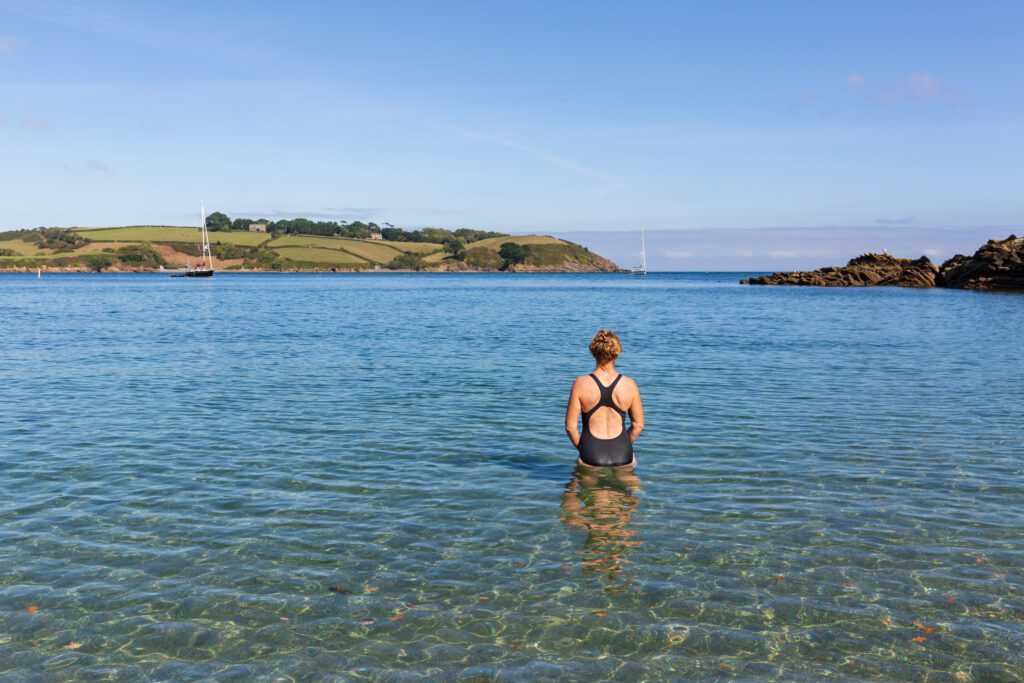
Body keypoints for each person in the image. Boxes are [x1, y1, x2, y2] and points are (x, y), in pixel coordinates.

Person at [564, 330, 644, 467]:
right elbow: (638, 425)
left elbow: (570, 427)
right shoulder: (629, 384)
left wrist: (584, 450)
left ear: (593, 352)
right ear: (617, 353)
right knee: (629, 485)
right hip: (622, 452)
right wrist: (622, 445)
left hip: (592, 452)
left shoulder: (580, 383)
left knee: (584, 487)